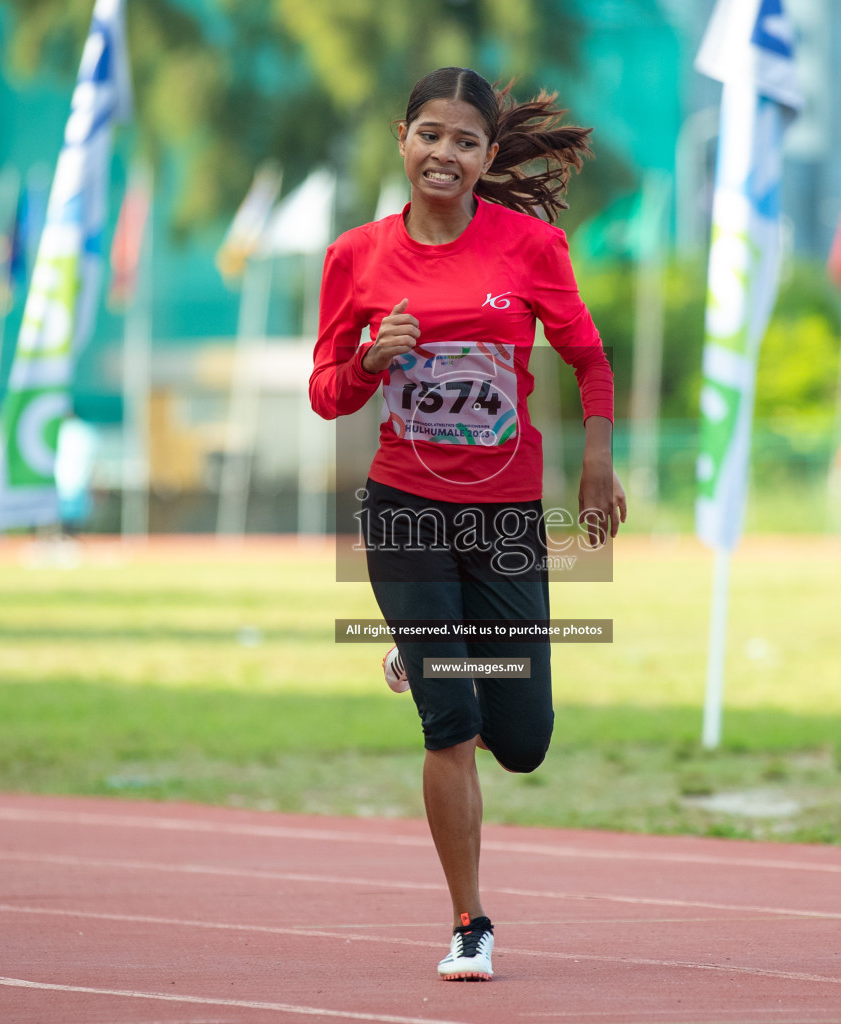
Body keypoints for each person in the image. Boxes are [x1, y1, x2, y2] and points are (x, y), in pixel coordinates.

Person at [308, 66, 625, 981]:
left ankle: (427, 646)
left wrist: (594, 462)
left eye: (465, 141)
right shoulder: (356, 257)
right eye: (430, 135)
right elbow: (328, 395)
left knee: (522, 742)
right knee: (449, 725)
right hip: (404, 508)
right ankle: (469, 922)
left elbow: (590, 360)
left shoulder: (528, 249)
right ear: (402, 139)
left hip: (505, 513)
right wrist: (371, 358)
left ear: (489, 158)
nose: (444, 153)